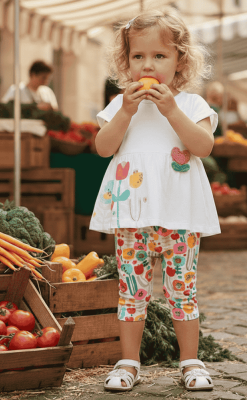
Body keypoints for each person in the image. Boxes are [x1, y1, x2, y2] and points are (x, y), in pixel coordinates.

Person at [90, 8, 219, 393]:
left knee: (182, 289)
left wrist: (170, 109)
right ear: (126, 62)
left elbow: (202, 146)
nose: (148, 65)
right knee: (131, 289)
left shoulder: (192, 105)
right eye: (138, 56)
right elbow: (102, 147)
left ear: (180, 60)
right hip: (132, 215)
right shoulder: (120, 106)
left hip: (179, 215)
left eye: (160, 56)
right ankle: (129, 362)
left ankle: (190, 361)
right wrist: (127, 111)